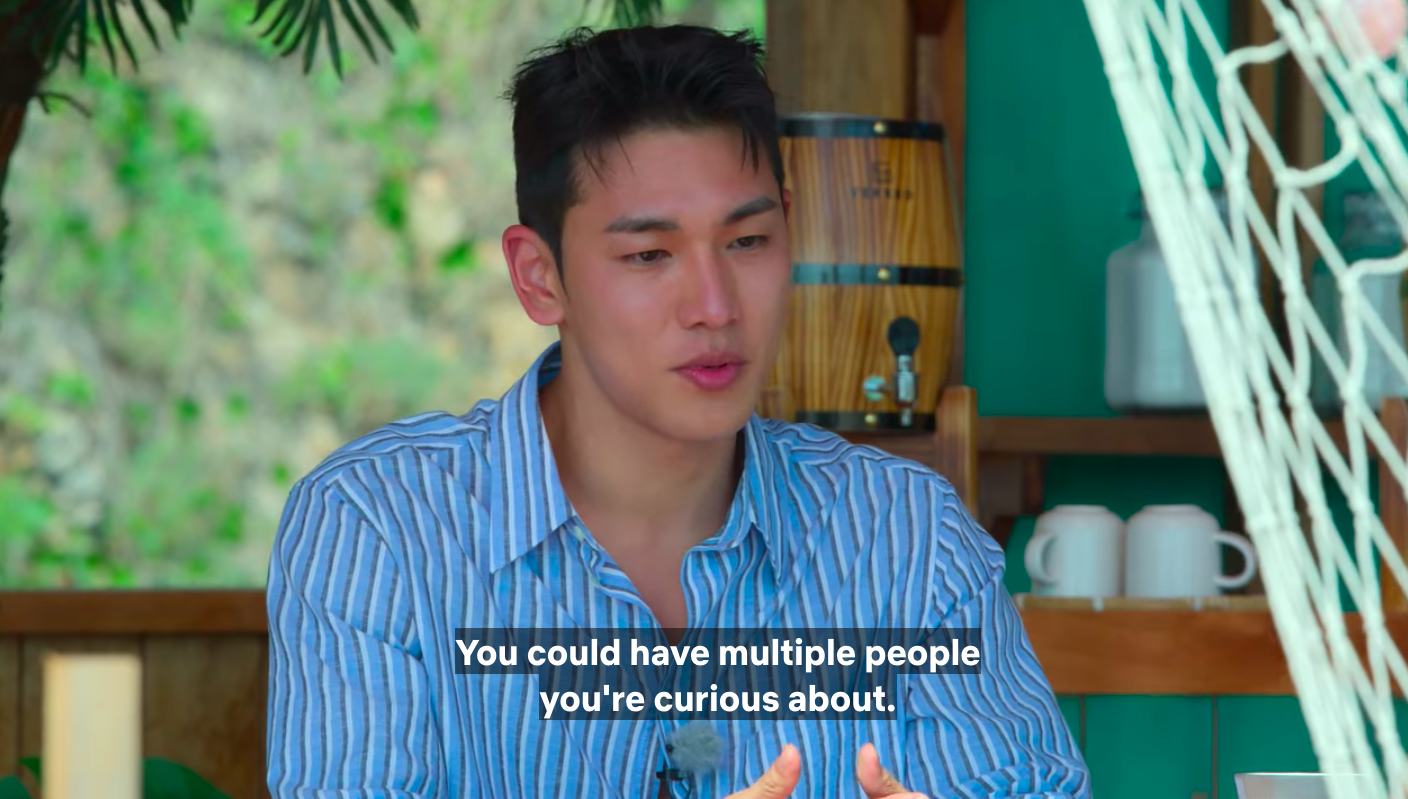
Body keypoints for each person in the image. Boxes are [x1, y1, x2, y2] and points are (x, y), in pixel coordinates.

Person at [265, 23, 1091, 799]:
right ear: (539, 278)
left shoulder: (909, 538)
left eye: (747, 242)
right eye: (649, 254)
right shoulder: (378, 528)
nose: (714, 305)